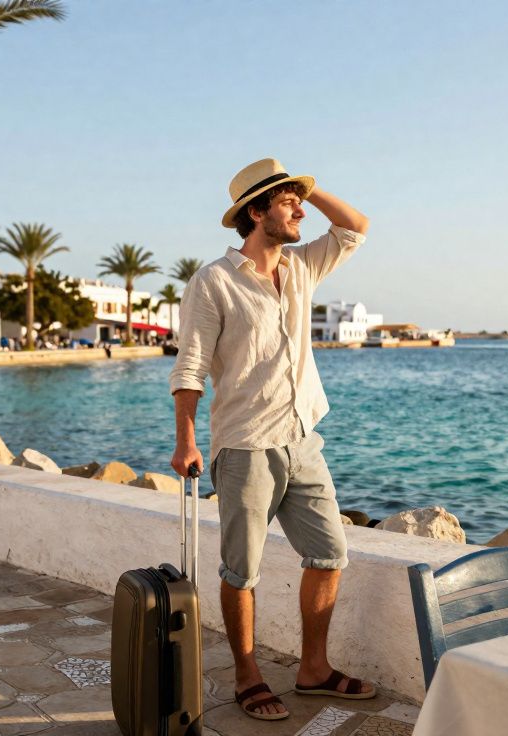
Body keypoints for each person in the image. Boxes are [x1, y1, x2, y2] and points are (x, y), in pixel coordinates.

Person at [169, 159, 374, 721]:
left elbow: (354, 226)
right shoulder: (213, 280)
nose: (300, 211)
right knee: (242, 571)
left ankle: (313, 670)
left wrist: (304, 184)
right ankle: (247, 674)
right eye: (287, 204)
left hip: (304, 439)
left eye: (298, 201)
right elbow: (190, 367)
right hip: (245, 446)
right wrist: (186, 440)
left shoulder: (303, 266)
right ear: (255, 212)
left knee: (330, 553)